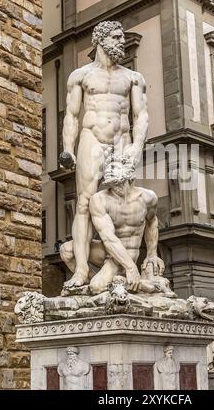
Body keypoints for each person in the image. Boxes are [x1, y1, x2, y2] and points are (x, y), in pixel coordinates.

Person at [60, 21, 148, 289]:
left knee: (122, 203)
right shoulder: (80, 76)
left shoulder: (133, 78)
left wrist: (137, 146)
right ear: (100, 39)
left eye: (122, 35)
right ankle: (82, 270)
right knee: (85, 204)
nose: (121, 40)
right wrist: (67, 148)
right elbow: (72, 116)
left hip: (123, 142)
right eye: (116, 35)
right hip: (91, 140)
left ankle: (122, 263)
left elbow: (141, 115)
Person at [60, 155, 165, 293]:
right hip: (108, 249)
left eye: (118, 183)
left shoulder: (148, 198)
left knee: (97, 286)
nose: (115, 188)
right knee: (66, 250)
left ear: (130, 177)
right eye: (111, 184)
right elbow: (108, 237)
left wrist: (152, 254)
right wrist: (131, 268)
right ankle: (96, 281)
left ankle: (124, 284)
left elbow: (152, 221)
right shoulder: (99, 200)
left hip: (129, 252)